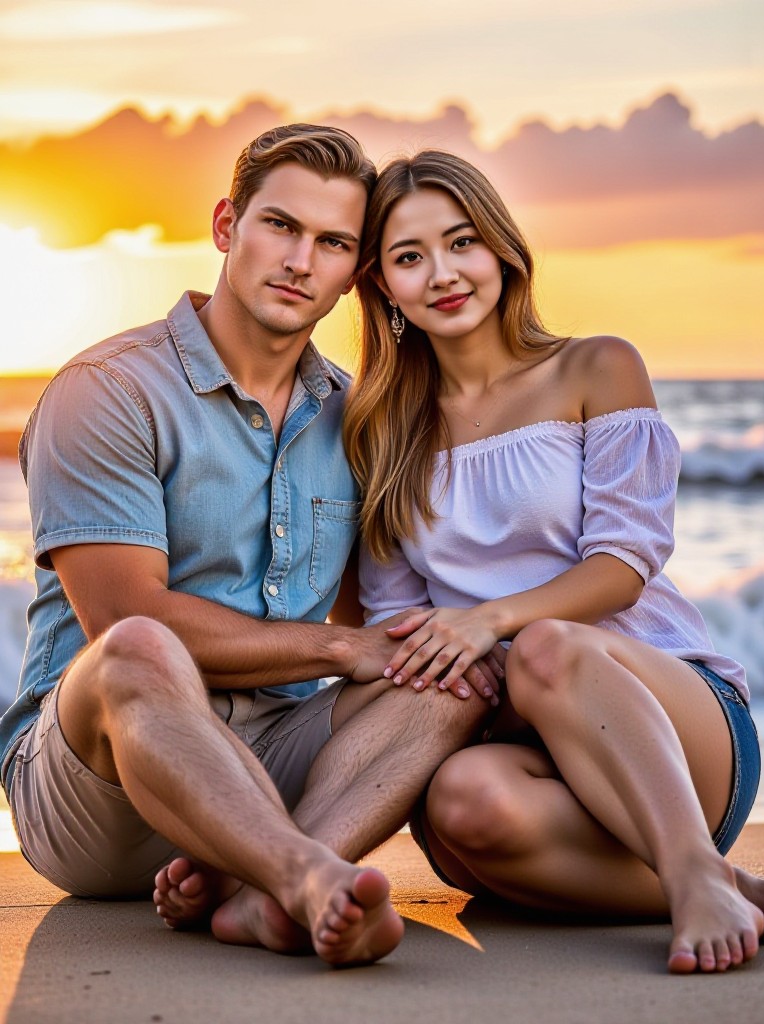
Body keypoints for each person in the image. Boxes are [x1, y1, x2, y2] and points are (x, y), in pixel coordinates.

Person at [0, 127, 497, 968]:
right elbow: (125, 617)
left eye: (333, 242)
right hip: (101, 788)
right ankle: (305, 879)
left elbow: (376, 617)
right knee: (138, 649)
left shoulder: (357, 416)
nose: (301, 260)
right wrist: (342, 647)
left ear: (356, 273)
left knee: (450, 673)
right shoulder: (109, 391)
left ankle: (264, 891)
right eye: (280, 226)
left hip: (279, 767)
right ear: (228, 225)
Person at [344, 149, 764, 974]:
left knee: (547, 647)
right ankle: (728, 889)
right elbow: (397, 628)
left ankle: (690, 862)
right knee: (461, 803)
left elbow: (624, 565)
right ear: (383, 288)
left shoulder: (596, 366)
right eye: (408, 257)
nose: (443, 273)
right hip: (521, 750)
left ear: (501, 246)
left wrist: (491, 620)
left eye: (461, 241)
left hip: (669, 721)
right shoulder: (382, 432)